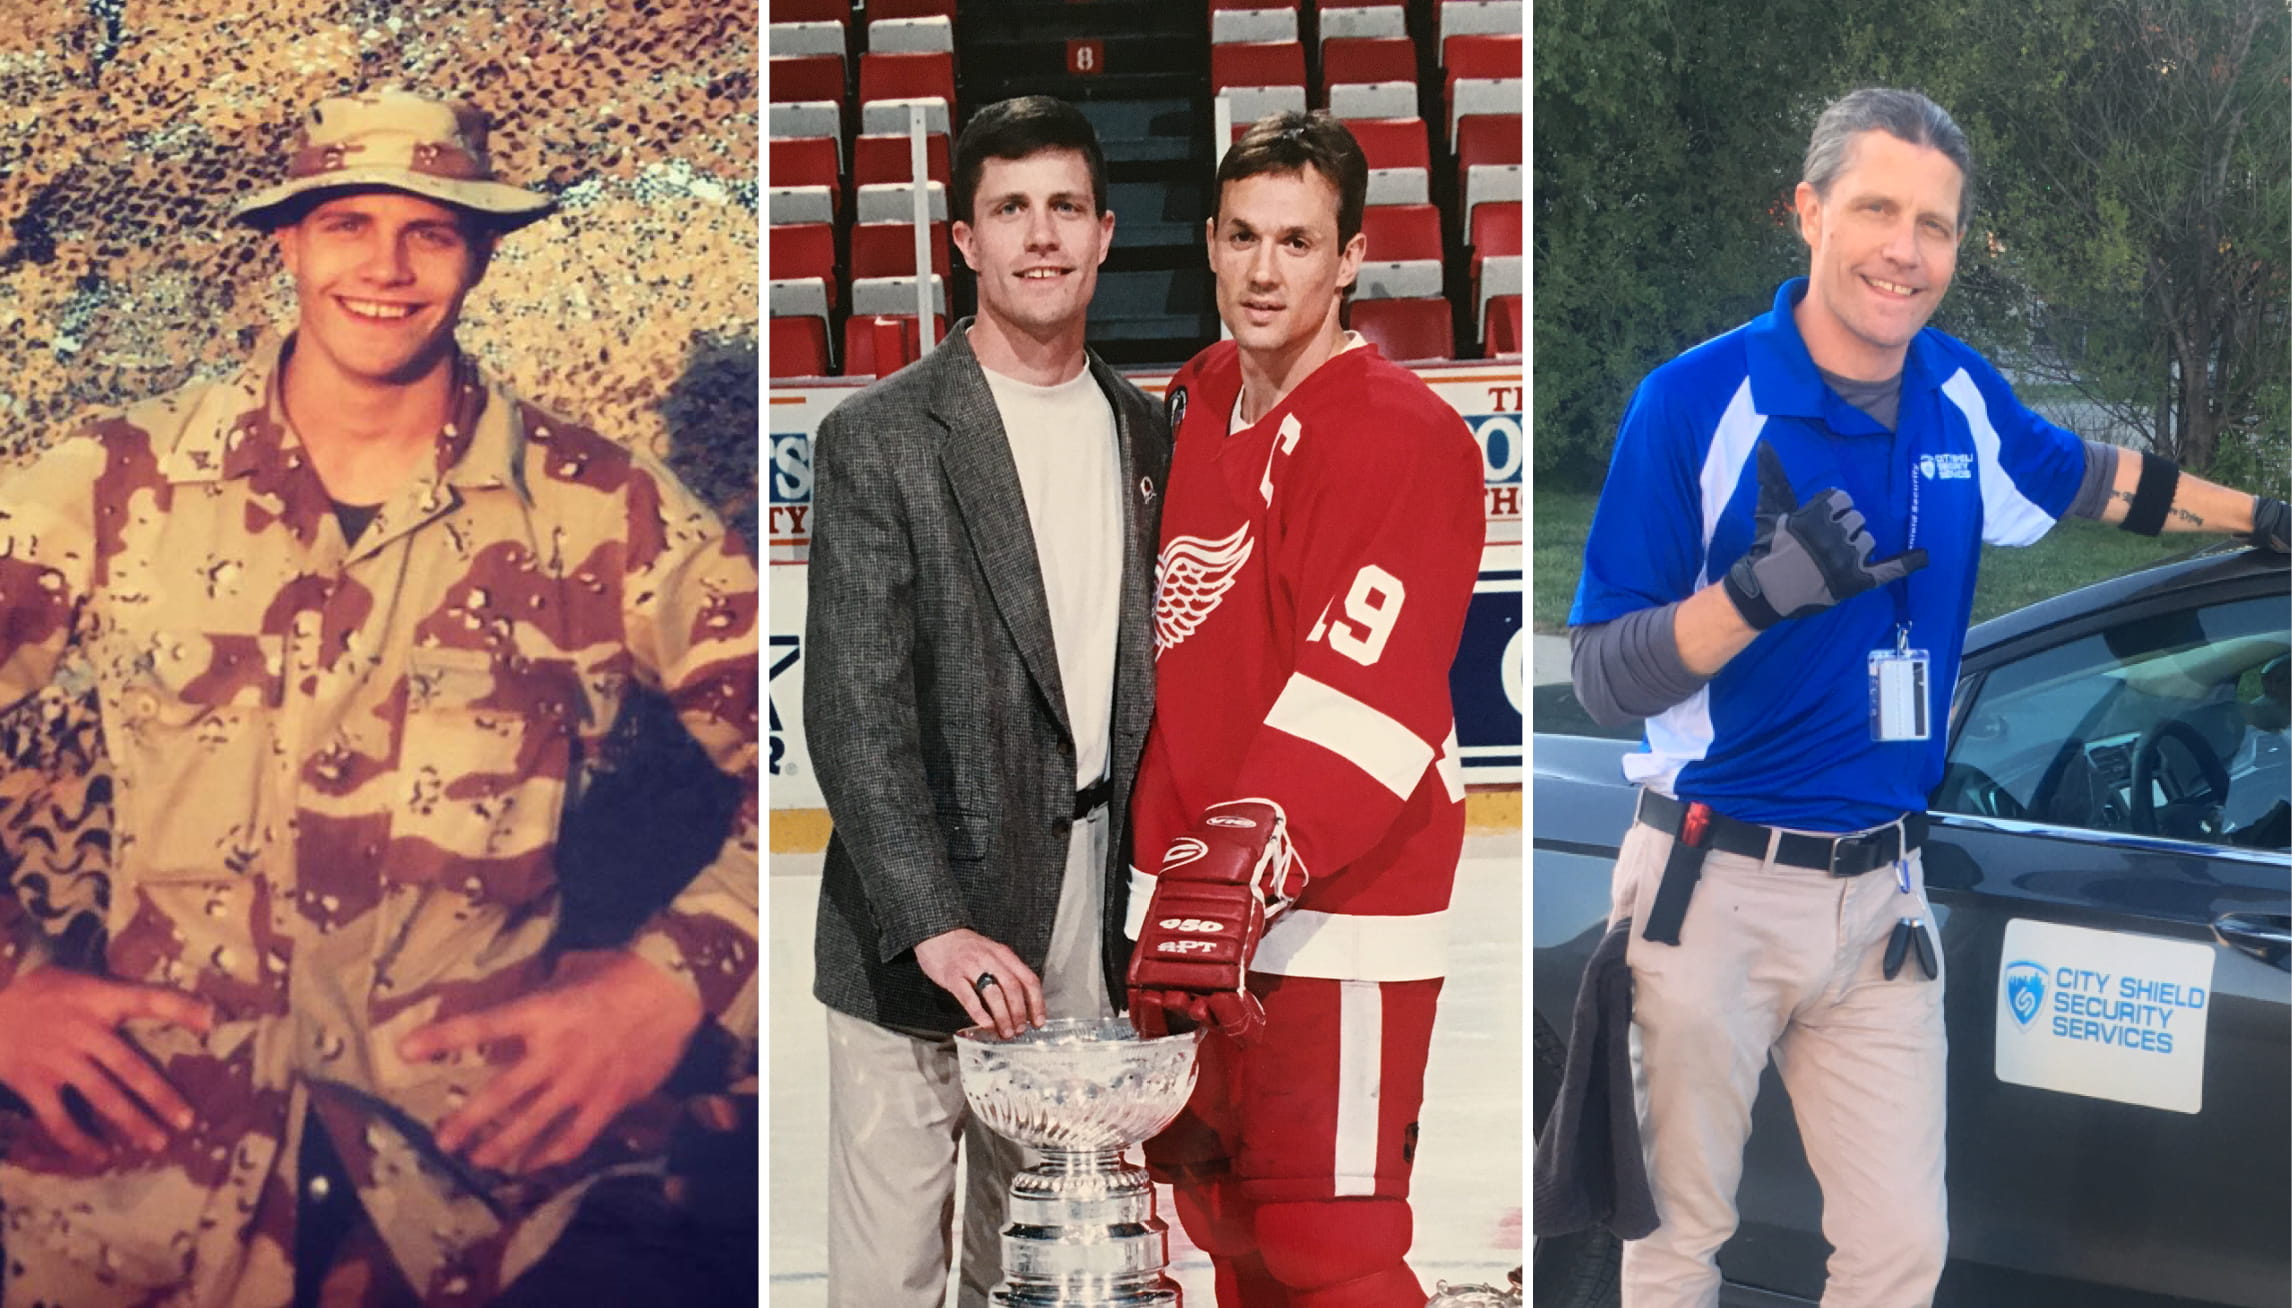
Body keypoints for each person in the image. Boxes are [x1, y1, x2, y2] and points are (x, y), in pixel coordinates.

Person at [0, 89, 760, 1305]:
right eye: (348, 223)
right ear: (288, 243)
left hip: (476, 1191)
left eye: (433, 231)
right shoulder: (119, 479)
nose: (386, 268)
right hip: (139, 1189)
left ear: (481, 254)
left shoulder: (599, 511)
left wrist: (672, 983)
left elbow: (827, 748)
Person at [1565, 87, 2291, 1307]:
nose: (1906, 250)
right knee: (1678, 1242)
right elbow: (1598, 675)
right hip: (1714, 890)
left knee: (1901, 1254)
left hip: (1880, 904)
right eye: (1877, 210)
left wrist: (2261, 517)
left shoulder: (1960, 390)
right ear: (1808, 211)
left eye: (1937, 225)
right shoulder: (1694, 403)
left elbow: (2094, 483)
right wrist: (1756, 594)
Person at [804, 95, 1170, 1307]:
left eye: (1066, 207)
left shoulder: (1145, 434)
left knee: (1031, 1260)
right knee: (890, 1270)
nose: (1042, 237)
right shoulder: (882, 437)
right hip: (916, 919)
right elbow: (850, 712)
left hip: (1084, 893)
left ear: (1106, 232)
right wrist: (932, 920)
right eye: (1010, 210)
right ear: (964, 241)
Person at [1124, 110, 1485, 1307]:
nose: (1266, 269)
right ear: (1211, 249)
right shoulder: (1196, 396)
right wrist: (1183, 877)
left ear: (1350, 259)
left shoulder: (1401, 434)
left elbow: (1373, 684)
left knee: (1333, 1241)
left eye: (1297, 241)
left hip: (1338, 909)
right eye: (1243, 238)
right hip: (1197, 902)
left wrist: (1252, 855)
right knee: (1230, 1225)